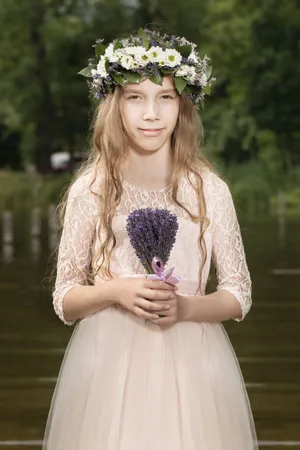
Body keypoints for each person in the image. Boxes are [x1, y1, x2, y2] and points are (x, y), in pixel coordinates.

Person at [43, 28, 258, 450]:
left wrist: (185, 307)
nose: (151, 114)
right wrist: (116, 291)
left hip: (194, 362)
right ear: (115, 106)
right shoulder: (93, 188)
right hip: (108, 364)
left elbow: (239, 293)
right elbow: (64, 298)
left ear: (183, 105)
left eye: (165, 97)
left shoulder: (209, 189)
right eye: (135, 98)